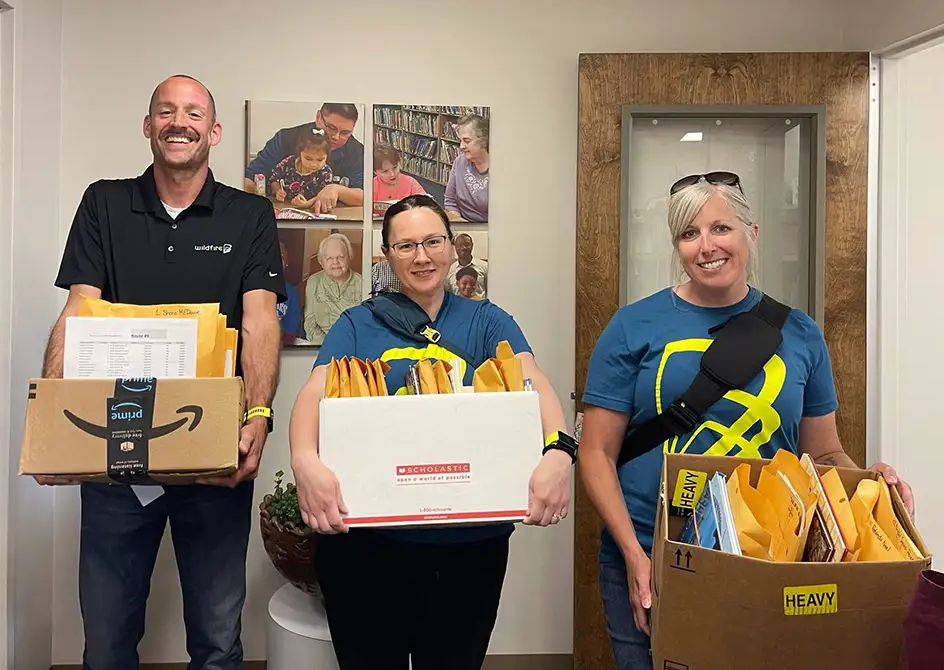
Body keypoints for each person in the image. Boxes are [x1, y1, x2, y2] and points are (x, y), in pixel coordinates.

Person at [576, 172, 915, 670]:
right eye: (689, 234)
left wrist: (871, 487)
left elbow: (823, 453)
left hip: (765, 560)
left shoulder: (800, 333)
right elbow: (597, 451)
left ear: (750, 233)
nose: (706, 246)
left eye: (720, 228)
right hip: (655, 551)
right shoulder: (634, 326)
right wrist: (632, 553)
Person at [39, 75, 285, 670]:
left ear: (214, 131)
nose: (181, 122)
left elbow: (259, 321)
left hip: (215, 446)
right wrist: (51, 424)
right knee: (106, 637)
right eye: (167, 112)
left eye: (194, 112)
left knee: (218, 638)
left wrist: (258, 414)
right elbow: (78, 311)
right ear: (149, 126)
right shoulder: (103, 202)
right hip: (116, 450)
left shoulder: (249, 214)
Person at [288, 195, 574, 670]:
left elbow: (534, 381)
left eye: (432, 241)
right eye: (405, 246)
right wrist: (304, 461)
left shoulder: (487, 320)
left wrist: (559, 451)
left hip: (468, 550)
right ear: (387, 255)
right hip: (368, 546)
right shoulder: (358, 323)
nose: (422, 256)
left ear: (450, 246)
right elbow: (313, 394)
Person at [244, 102, 364, 213]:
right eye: (331, 128)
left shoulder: (357, 151)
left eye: (345, 133)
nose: (336, 137)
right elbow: (250, 177)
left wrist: (336, 189)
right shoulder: (286, 138)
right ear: (318, 117)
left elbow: (365, 196)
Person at [302, 232, 362, 344]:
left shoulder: (362, 283)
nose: (335, 262)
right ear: (321, 262)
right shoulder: (314, 282)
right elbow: (310, 323)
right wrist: (328, 346)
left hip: (354, 346)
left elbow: (366, 325)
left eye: (341, 257)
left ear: (349, 257)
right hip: (321, 346)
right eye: (329, 258)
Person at [268, 127, 333, 209]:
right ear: (299, 153)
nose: (313, 164)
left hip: (310, 209)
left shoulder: (325, 173)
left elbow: (324, 195)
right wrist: (277, 191)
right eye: (308, 159)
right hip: (284, 207)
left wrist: (306, 204)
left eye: (320, 160)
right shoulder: (288, 163)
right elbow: (274, 180)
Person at [444, 113, 489, 223]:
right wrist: (459, 224)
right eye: (461, 140)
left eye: (467, 141)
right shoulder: (459, 162)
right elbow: (450, 201)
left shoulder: (502, 169)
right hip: (461, 223)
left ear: (484, 141)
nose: (461, 146)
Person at [444, 232, 487, 297]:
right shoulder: (449, 271)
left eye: (467, 244)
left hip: (480, 306)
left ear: (472, 245)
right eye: (460, 245)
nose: (463, 248)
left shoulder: (484, 267)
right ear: (455, 247)